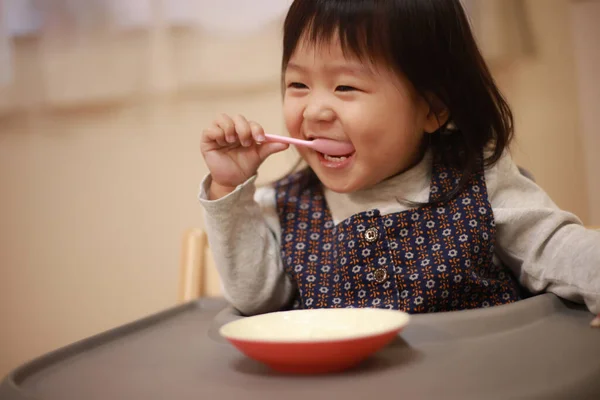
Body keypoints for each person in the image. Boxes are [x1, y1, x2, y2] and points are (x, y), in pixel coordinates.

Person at [198, 0, 600, 325]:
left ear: (433, 108)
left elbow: (555, 249)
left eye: (345, 86)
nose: (315, 111)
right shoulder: (286, 206)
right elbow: (256, 303)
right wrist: (230, 190)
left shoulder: (478, 184)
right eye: (298, 84)